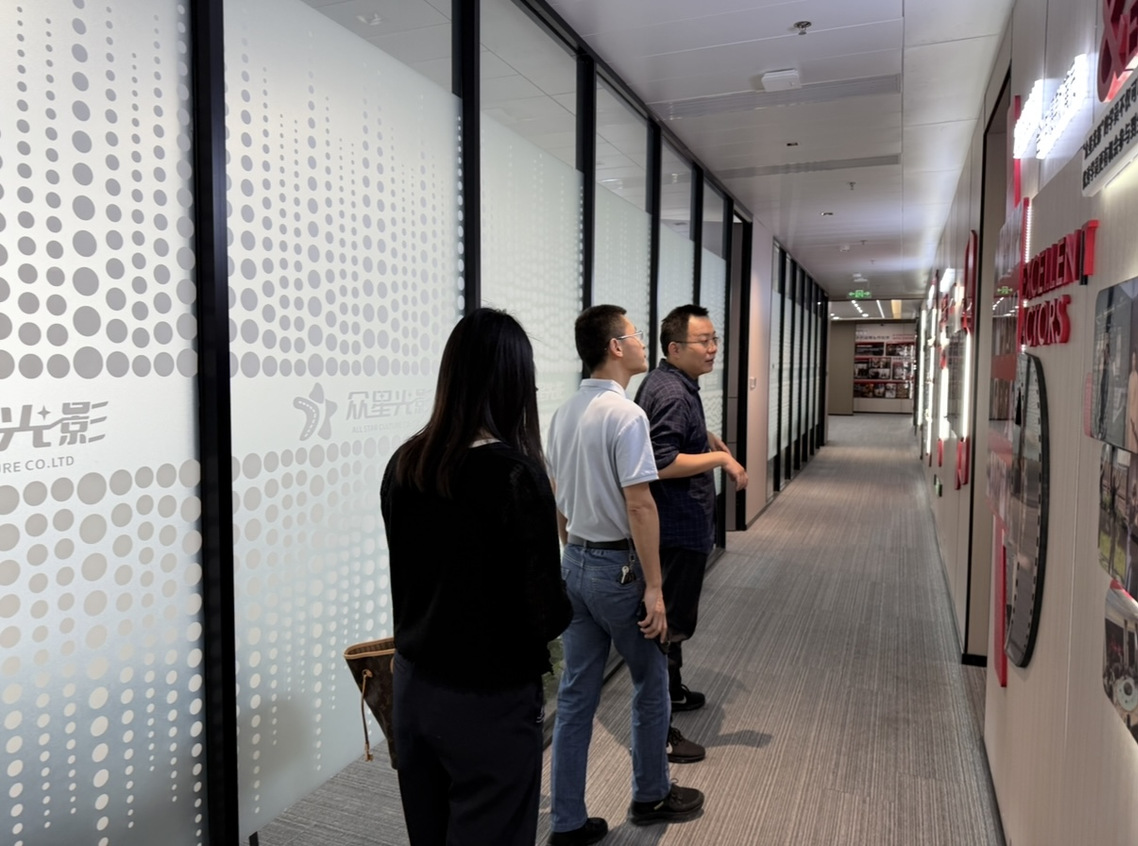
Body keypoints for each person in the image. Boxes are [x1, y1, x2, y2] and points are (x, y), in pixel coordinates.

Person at [380, 308, 572, 846]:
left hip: (414, 688)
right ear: (514, 386)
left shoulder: (405, 463)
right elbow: (545, 615)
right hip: (489, 702)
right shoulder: (515, 475)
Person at [546, 305, 705, 845]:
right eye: (635, 335)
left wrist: (574, 553)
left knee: (575, 696)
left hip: (576, 563)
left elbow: (559, 501)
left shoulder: (564, 413)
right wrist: (655, 588)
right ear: (615, 346)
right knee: (651, 682)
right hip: (619, 569)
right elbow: (640, 505)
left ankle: (566, 821)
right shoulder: (626, 415)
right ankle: (650, 793)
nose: (642, 343)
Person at [635, 304, 748, 721]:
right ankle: (660, 721)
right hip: (677, 527)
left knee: (672, 619)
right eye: (704, 341)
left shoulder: (669, 382)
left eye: (714, 339)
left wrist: (704, 438)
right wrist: (721, 460)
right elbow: (661, 461)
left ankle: (671, 694)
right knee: (669, 623)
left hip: (677, 524)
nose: (713, 348)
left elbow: (670, 438)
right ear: (675, 348)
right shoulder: (671, 392)